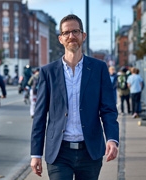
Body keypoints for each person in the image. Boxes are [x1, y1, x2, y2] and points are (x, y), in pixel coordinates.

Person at [30, 14, 119, 180]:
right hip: (59, 152)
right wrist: (35, 154)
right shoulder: (48, 72)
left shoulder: (99, 68)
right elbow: (40, 116)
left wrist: (112, 139)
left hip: (90, 151)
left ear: (83, 36)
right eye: (66, 33)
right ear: (60, 39)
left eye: (75, 31)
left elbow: (108, 109)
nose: (71, 36)